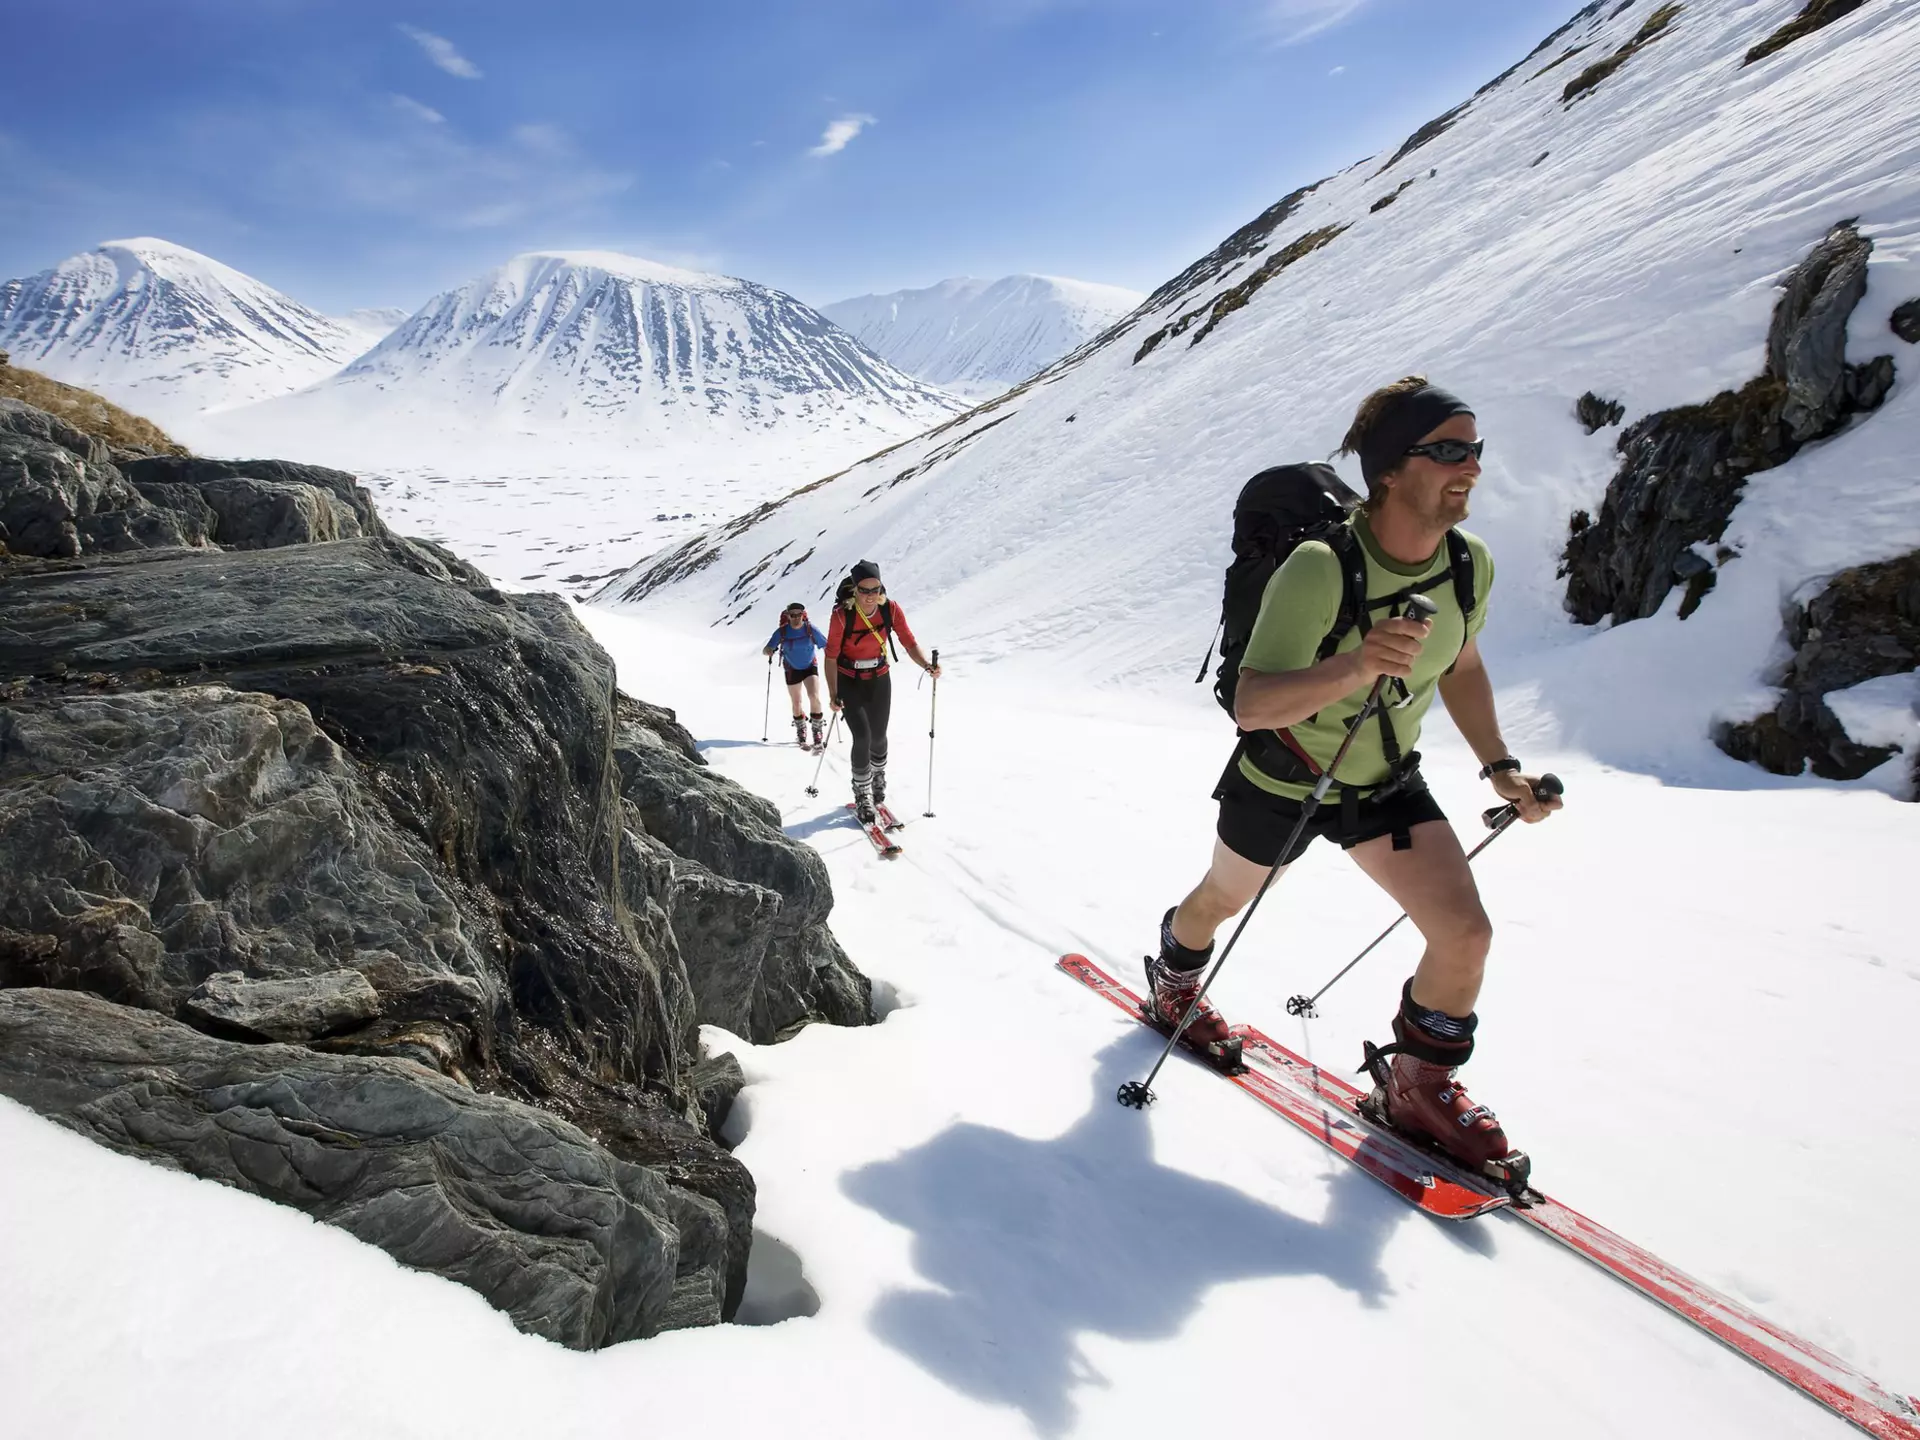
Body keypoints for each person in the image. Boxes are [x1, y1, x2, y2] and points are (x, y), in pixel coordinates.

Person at [1148, 376, 1561, 1176]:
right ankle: (1173, 975)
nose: (1469, 464)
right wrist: (1358, 665)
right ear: (1389, 471)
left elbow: (1462, 663)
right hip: (1285, 773)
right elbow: (1253, 703)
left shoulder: (1467, 565)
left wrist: (1500, 768)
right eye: (1447, 449)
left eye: (1475, 448)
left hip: (1381, 781)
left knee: (1465, 933)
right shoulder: (1320, 567)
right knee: (1221, 901)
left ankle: (1419, 1083)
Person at [825, 560, 941, 824]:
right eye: (864, 590)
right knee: (863, 736)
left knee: (879, 737)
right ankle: (862, 793)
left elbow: (909, 642)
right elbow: (831, 657)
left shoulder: (890, 609)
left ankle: (878, 778)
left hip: (879, 678)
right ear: (854, 590)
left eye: (875, 589)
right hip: (849, 679)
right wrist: (833, 693)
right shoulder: (842, 616)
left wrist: (927, 666)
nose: (870, 596)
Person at [764, 602, 829, 748]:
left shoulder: (810, 629)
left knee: (814, 696)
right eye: (792, 615)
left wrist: (833, 659)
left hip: (809, 666)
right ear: (788, 616)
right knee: (797, 702)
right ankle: (801, 729)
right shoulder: (782, 632)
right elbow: (768, 647)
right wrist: (768, 650)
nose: (796, 618)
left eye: (799, 614)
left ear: (803, 615)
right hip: (791, 668)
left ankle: (817, 731)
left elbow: (825, 644)